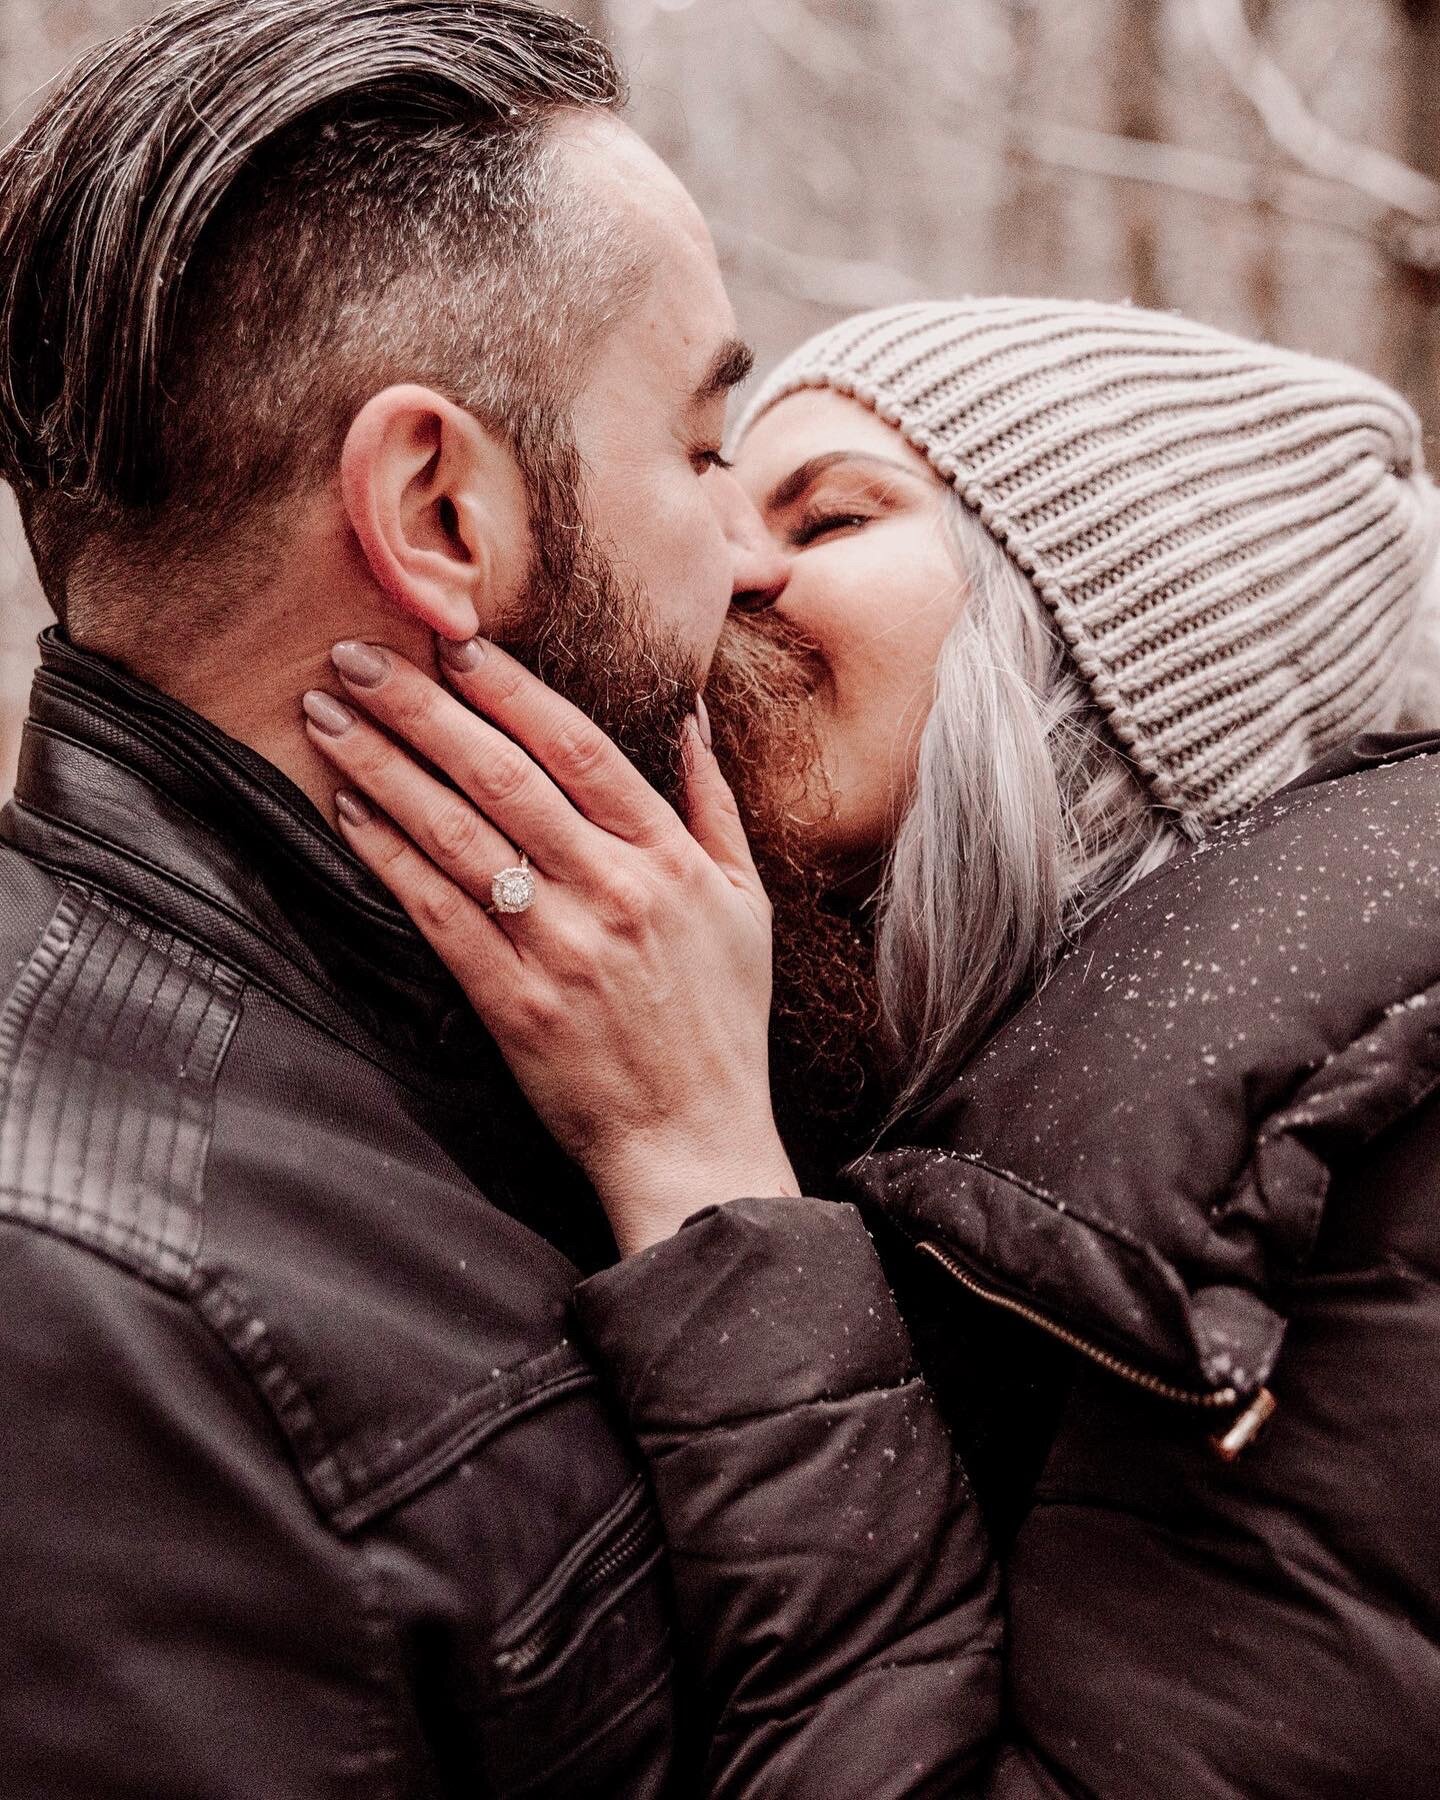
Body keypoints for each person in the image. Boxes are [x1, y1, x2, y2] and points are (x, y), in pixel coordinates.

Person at [0, 9, 1004, 1794]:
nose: (753, 560)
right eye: (702, 452)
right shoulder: (97, 1340)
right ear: (443, 513)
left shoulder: (462, 1075)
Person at [321, 298, 1440, 1795]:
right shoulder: (920, 1069)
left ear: (1124, 677)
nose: (734, 564)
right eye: (720, 491)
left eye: (834, 512)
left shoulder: (1376, 1165)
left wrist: (706, 1174)